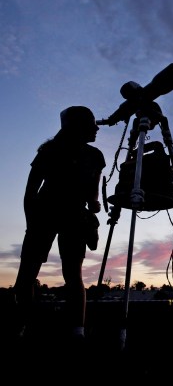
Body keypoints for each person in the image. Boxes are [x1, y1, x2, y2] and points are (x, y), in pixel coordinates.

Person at [13, 105, 106, 344]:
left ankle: (77, 333)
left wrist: (94, 205)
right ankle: (24, 326)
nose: (96, 127)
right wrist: (31, 225)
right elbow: (30, 192)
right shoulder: (50, 151)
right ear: (76, 126)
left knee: (73, 275)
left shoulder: (95, 156)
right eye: (91, 123)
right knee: (26, 277)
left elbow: (93, 192)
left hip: (75, 217)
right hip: (44, 215)